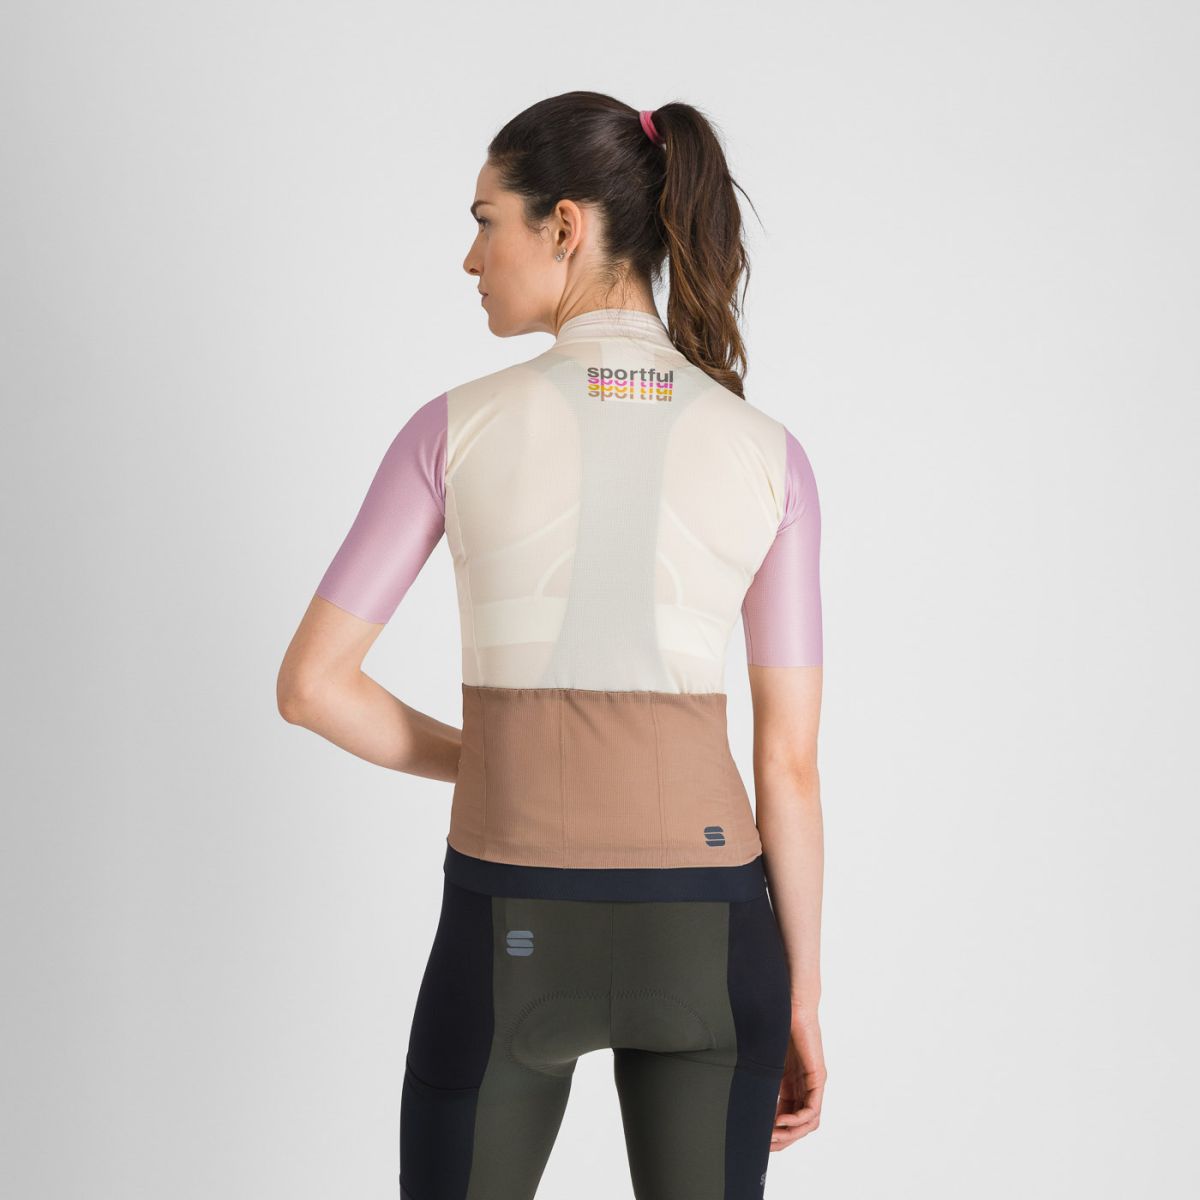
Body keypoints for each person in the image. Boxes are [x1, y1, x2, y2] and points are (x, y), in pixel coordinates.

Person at [277, 91, 826, 1200]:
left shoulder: (452, 429)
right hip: (712, 937)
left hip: (510, 930)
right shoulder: (770, 455)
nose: (470, 258)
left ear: (564, 225)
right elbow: (789, 766)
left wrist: (488, 758)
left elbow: (313, 687)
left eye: (486, 222)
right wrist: (801, 999)